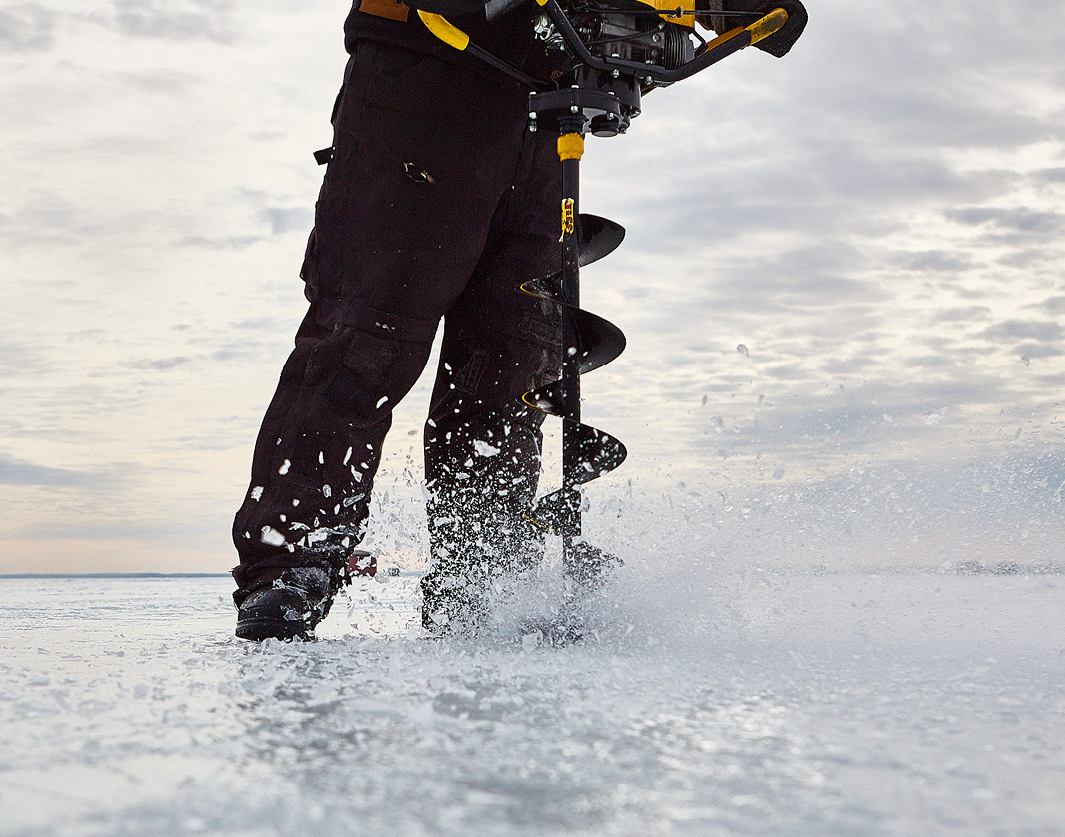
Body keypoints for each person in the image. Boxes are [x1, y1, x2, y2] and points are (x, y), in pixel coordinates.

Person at [231, 0, 806, 641]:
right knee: (371, 328)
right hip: (425, 64)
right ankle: (291, 561)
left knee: (512, 353)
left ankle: (482, 577)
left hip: (548, 96)